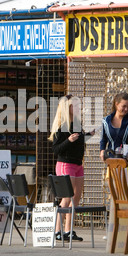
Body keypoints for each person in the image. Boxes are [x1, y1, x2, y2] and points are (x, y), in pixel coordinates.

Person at [48, 94, 94, 242]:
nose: (78, 108)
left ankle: (68, 230)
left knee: (76, 197)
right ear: (67, 108)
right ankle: (57, 230)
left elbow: (79, 141)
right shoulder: (62, 126)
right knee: (66, 197)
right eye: (75, 105)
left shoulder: (77, 124)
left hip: (78, 164)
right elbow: (56, 149)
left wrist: (88, 135)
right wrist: (68, 140)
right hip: (65, 164)